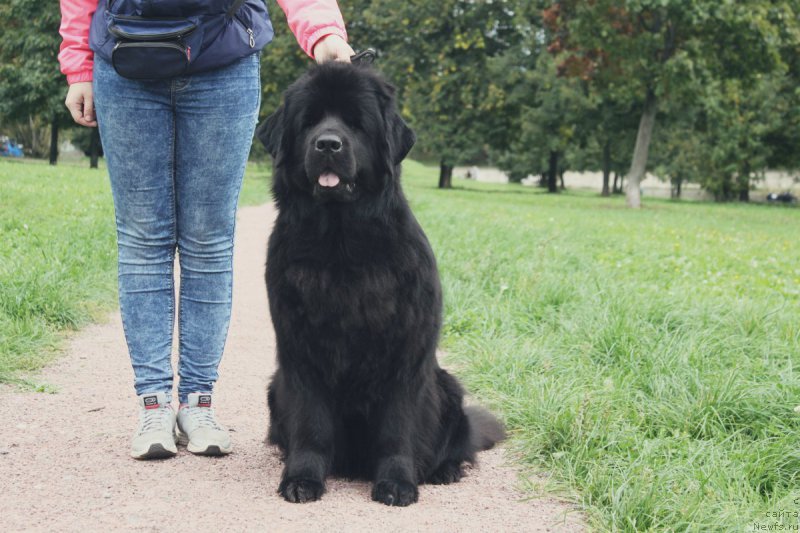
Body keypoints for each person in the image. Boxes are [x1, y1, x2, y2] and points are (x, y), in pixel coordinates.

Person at [58, 0, 353, 460]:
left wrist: (323, 33)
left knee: (209, 242)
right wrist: (77, 65)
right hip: (124, 62)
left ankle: (198, 403)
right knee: (142, 240)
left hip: (223, 65)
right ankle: (153, 405)